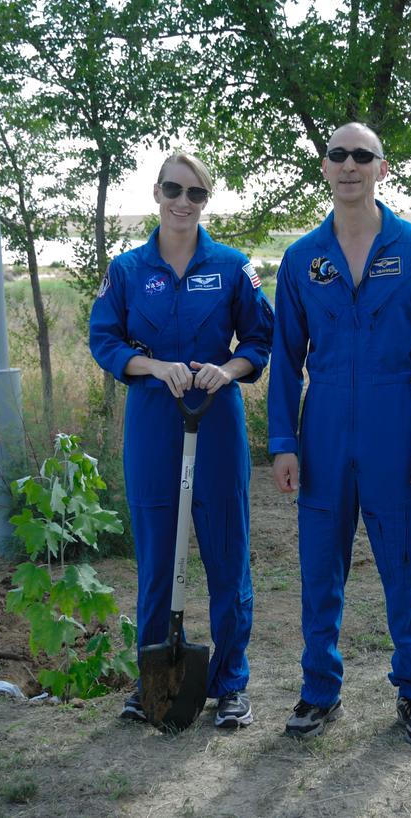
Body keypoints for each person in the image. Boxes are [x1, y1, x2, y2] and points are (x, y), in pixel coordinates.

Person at [267, 122, 411, 747]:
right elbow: (285, 358)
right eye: (337, 155)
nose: (348, 165)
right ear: (325, 167)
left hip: (394, 422)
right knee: (319, 569)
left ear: (382, 168)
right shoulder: (302, 258)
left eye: (362, 155)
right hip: (323, 425)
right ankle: (319, 689)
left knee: (408, 566)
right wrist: (283, 442)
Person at [89, 152, 274, 729]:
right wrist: (152, 366)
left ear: (205, 201)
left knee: (227, 558)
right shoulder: (127, 269)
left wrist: (228, 370)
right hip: (152, 425)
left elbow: (260, 340)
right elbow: (104, 339)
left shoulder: (233, 267)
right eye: (174, 189)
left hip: (215, 422)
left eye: (196, 193)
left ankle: (230, 683)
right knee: (155, 561)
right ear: (157, 193)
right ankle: (154, 681)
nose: (183, 202)